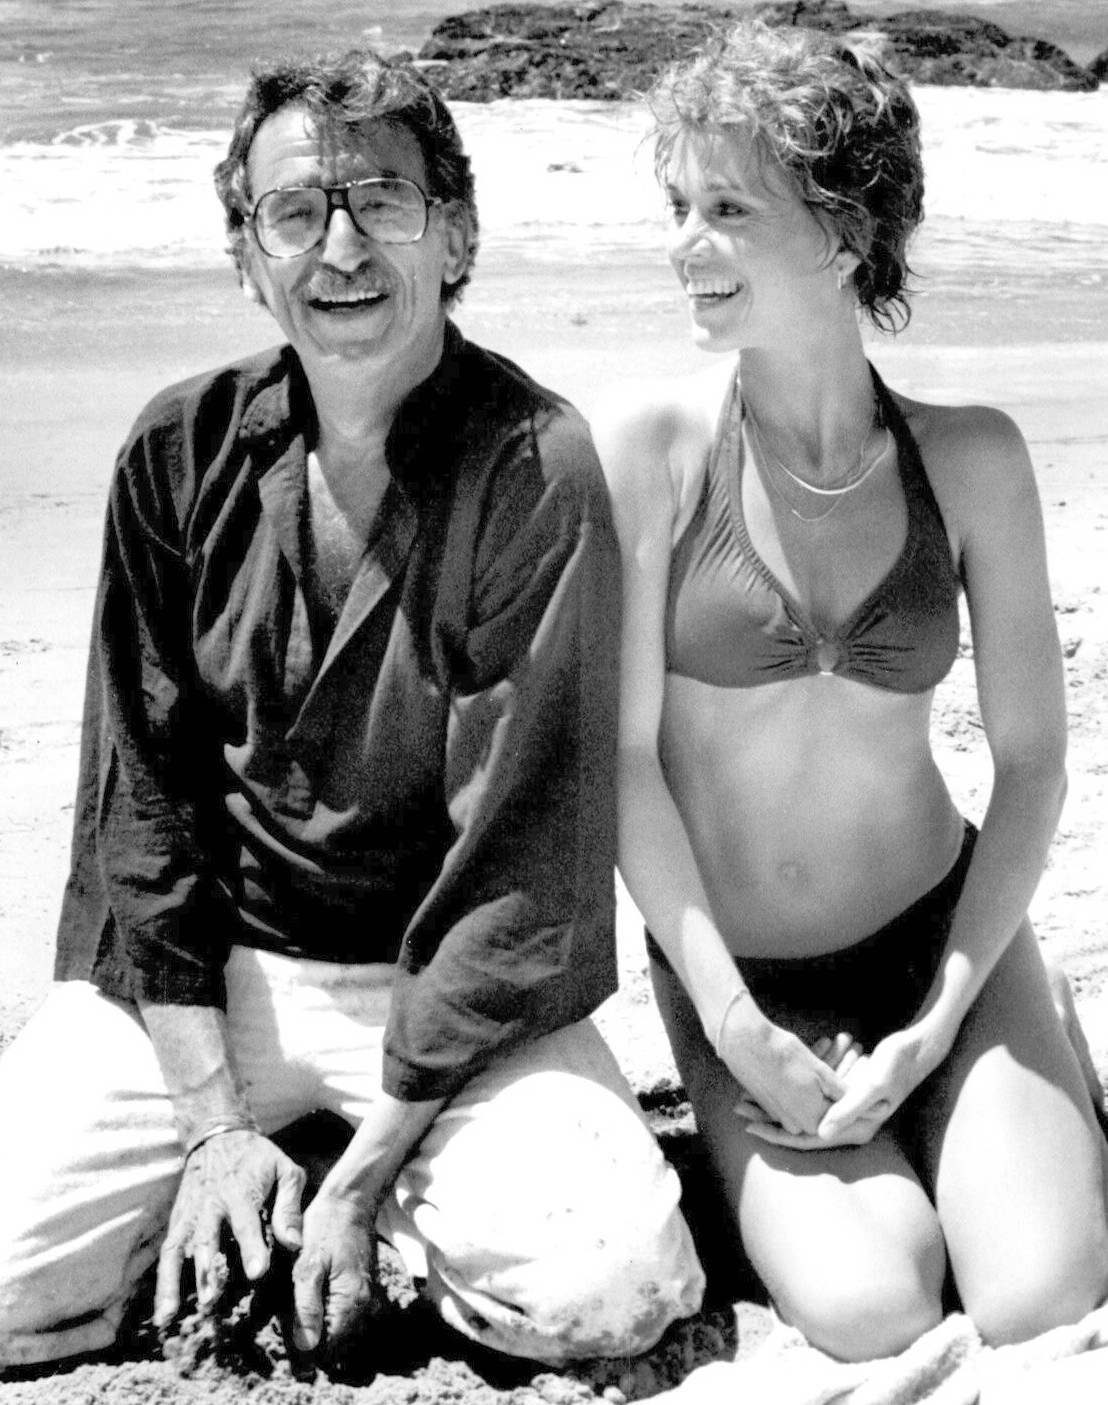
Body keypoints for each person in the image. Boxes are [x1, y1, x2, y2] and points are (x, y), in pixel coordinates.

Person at [0, 50, 704, 1373]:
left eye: (382, 200)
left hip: (450, 994)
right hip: (218, 978)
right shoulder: (178, 450)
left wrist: (364, 1180)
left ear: (457, 236)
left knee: (616, 1294)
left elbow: (519, 858)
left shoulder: (535, 465)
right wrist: (212, 1125)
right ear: (245, 255)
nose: (340, 247)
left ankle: (347, 1189)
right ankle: (237, 1177)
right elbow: (138, 811)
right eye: (294, 212)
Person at [591, 22, 1108, 1364]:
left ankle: (1024, 1025)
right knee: (873, 1303)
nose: (685, 244)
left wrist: (942, 1017)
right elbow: (623, 764)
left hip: (946, 943)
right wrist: (730, 1024)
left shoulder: (972, 460)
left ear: (843, 230)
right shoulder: (650, 451)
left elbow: (1033, 765)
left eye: (726, 210)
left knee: (1037, 1296)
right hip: (747, 985)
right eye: (679, 207)